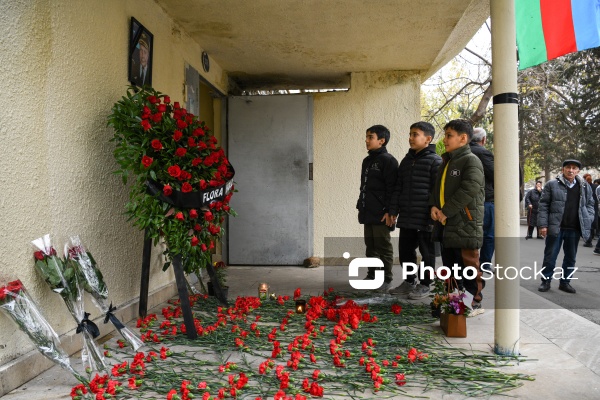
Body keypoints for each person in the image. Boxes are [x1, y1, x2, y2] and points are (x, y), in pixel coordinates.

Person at [430, 119, 485, 315]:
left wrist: (446, 210)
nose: (444, 140)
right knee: (450, 265)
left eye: (449, 136)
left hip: (465, 223)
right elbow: (438, 189)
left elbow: (469, 189)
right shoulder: (447, 161)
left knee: (468, 267)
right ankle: (453, 301)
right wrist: (434, 206)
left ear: (463, 138)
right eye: (445, 135)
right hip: (446, 223)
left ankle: (473, 302)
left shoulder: (471, 160)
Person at [388, 121, 442, 298]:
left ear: (428, 139)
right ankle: (409, 282)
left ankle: (425, 284)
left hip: (425, 219)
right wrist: (393, 210)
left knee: (427, 253)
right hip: (407, 217)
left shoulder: (435, 161)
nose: (410, 138)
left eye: (415, 134)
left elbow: (437, 191)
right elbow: (398, 187)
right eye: (410, 134)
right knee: (405, 252)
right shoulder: (406, 161)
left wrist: (432, 214)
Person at [537, 159, 594, 294]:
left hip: (574, 228)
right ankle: (546, 281)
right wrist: (543, 225)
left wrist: (588, 219)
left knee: (570, 258)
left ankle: (565, 282)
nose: (571, 170)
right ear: (563, 169)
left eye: (574, 168)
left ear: (578, 171)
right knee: (550, 256)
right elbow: (543, 205)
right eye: (568, 167)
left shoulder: (584, 186)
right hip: (556, 227)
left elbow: (590, 204)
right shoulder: (552, 184)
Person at [357, 125, 398, 292]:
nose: (366, 140)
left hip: (382, 214)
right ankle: (373, 275)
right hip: (368, 211)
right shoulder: (367, 161)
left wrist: (390, 211)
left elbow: (393, 188)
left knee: (383, 246)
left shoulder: (388, 160)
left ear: (382, 141)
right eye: (366, 137)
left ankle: (386, 279)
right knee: (371, 246)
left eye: (370, 137)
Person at [469, 127, 494, 271]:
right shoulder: (484, 153)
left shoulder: (462, 153)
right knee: (488, 234)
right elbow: (496, 175)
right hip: (486, 199)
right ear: (483, 140)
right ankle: (484, 263)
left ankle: (471, 262)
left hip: (468, 200)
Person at [582, 174, 598, 247]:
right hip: (595, 206)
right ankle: (592, 236)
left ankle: (588, 240)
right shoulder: (595, 186)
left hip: (587, 206)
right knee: (593, 222)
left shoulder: (585, 187)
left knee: (587, 222)